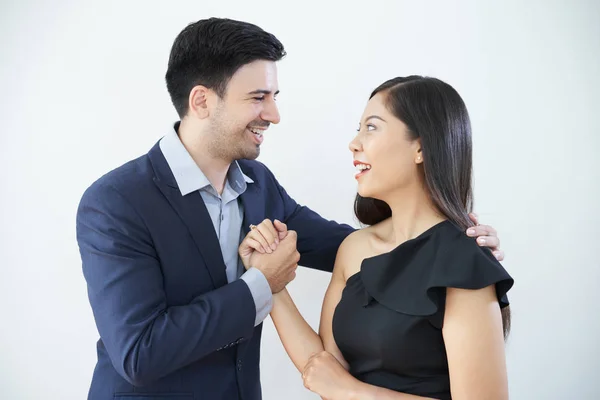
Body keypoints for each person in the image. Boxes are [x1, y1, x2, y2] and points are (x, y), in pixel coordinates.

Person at [75, 17, 505, 400]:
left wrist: (459, 248)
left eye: (274, 95)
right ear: (202, 101)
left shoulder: (259, 187)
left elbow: (372, 251)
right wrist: (262, 283)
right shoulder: (115, 204)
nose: (275, 114)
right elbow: (138, 353)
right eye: (259, 97)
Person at [241, 76, 514, 400]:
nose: (354, 143)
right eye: (359, 128)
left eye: (371, 127)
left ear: (421, 147)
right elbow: (323, 367)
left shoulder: (463, 262)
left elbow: (337, 385)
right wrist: (269, 281)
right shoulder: (355, 249)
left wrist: (350, 391)